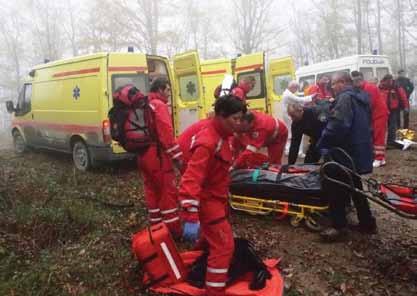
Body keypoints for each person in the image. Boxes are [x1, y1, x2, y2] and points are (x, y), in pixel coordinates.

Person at [178, 95, 246, 296]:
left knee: (212, 240)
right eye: (235, 119)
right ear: (221, 116)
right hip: (208, 202)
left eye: (241, 118)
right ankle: (214, 291)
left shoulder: (223, 135)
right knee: (224, 247)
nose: (239, 123)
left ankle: (201, 267)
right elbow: (191, 178)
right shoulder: (208, 142)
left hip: (217, 198)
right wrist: (190, 215)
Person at [317, 72, 376, 241]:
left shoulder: (344, 99)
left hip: (343, 151)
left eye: (334, 84)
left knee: (334, 185)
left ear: (342, 82)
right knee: (355, 186)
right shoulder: (361, 98)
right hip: (358, 150)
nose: (332, 88)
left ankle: (338, 226)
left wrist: (323, 142)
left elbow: (338, 125)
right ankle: (367, 222)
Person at [136, 77, 182, 238]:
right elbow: (166, 136)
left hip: (142, 154)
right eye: (168, 90)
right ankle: (172, 231)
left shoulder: (143, 104)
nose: (170, 94)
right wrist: (178, 158)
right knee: (166, 192)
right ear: (161, 89)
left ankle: (156, 226)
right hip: (158, 156)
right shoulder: (159, 106)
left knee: (151, 189)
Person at [351, 71, 389, 168]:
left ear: (361, 80)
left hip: (379, 114)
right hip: (374, 114)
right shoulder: (363, 88)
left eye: (356, 81)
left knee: (378, 136)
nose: (355, 84)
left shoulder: (369, 88)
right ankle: (381, 158)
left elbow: (368, 104)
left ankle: (379, 158)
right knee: (374, 135)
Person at [282, 81, 315, 157]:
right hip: (291, 115)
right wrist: (311, 97)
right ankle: (299, 152)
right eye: (296, 88)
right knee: (298, 133)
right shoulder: (288, 94)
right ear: (293, 87)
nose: (296, 90)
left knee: (290, 133)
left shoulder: (286, 93)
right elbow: (299, 100)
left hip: (287, 115)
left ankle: (288, 150)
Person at [379, 74, 409, 146]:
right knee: (384, 125)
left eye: (391, 81)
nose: (390, 83)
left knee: (392, 125)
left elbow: (403, 96)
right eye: (388, 81)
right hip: (383, 109)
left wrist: (406, 107)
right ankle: (385, 140)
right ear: (385, 80)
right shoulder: (381, 87)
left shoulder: (396, 86)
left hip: (394, 109)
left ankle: (391, 141)